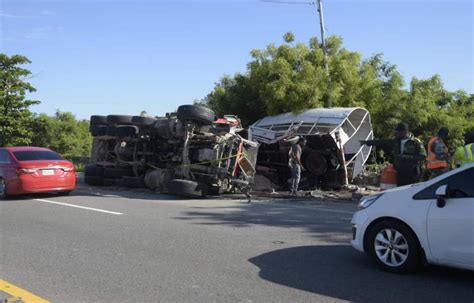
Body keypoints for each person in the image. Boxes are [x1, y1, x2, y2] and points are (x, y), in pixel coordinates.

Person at [361, 122, 426, 186]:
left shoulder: (416, 142)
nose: (396, 134)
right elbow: (382, 142)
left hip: (412, 172)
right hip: (400, 172)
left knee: (411, 191)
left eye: (398, 132)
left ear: (405, 132)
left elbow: (422, 156)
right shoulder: (396, 141)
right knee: (400, 190)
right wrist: (367, 142)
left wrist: (405, 157)